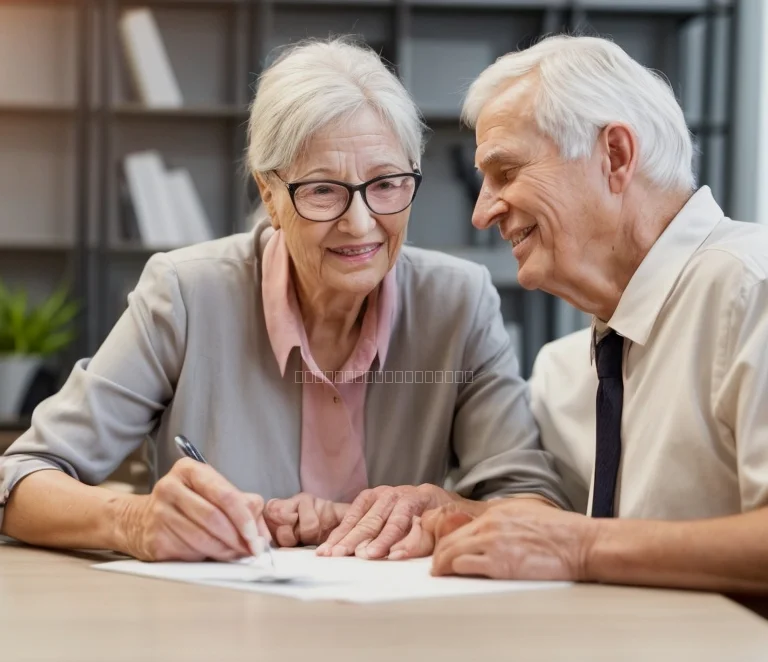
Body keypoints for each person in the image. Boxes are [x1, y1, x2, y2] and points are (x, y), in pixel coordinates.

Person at [0, 39, 568, 563]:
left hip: (399, 641)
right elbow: (20, 478)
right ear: (270, 196)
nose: (360, 222)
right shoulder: (185, 294)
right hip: (217, 636)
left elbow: (530, 507)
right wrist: (133, 520)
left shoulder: (459, 303)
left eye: (387, 183)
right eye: (322, 189)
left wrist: (440, 511)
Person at [390, 35, 768, 594]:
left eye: (506, 172)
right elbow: (564, 531)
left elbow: (576, 544)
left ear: (614, 156)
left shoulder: (751, 290)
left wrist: (579, 546)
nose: (481, 212)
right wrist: (457, 513)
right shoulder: (566, 370)